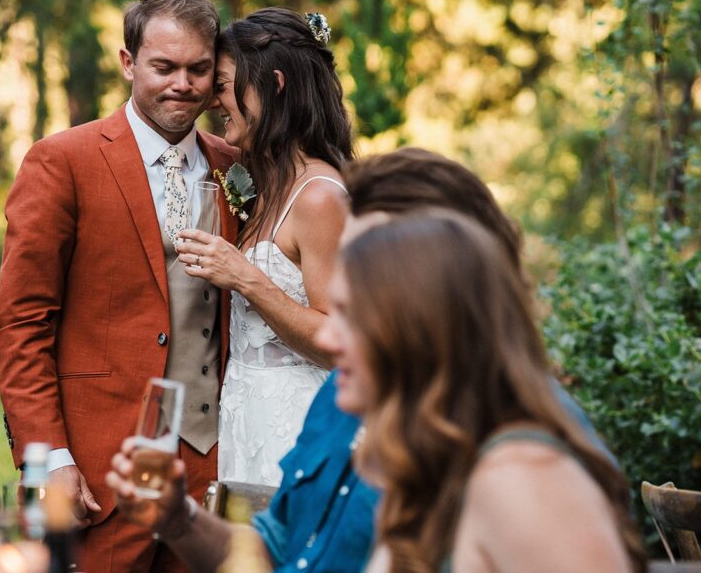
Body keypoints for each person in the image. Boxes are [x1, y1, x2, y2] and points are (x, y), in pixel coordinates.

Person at [106, 148, 616, 573]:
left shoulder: (525, 468)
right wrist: (178, 520)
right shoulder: (341, 397)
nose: (331, 336)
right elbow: (276, 551)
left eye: (361, 309)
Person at [0, 0, 238, 572]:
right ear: (129, 63)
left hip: (214, 471)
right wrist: (48, 457)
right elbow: (21, 322)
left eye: (199, 69)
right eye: (164, 66)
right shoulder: (63, 162)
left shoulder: (237, 166)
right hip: (100, 472)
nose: (183, 83)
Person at [327, 210, 646, 572]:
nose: (325, 336)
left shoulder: (522, 482)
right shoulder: (431, 458)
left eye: (350, 315)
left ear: (420, 331)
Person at [174, 8, 353, 486]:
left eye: (225, 83)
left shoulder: (319, 198)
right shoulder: (263, 184)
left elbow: (342, 344)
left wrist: (244, 277)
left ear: (273, 85)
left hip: (293, 424)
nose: (214, 100)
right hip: (243, 414)